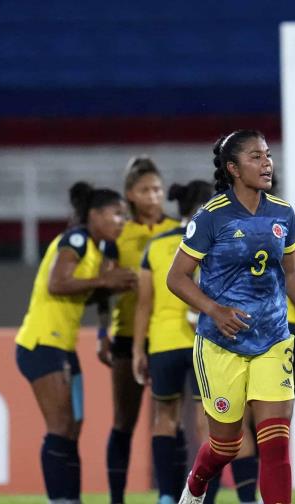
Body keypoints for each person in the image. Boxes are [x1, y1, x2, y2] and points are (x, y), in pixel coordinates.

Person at [168, 130, 295, 504]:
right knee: (226, 446)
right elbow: (175, 277)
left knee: (276, 442)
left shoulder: (282, 213)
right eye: (255, 157)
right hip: (221, 344)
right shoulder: (210, 217)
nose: (267, 163)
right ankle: (196, 484)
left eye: (267, 155)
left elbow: (291, 273)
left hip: (274, 339)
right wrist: (214, 310)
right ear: (232, 168)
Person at [131, 180, 260, 504]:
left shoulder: (157, 245)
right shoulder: (220, 237)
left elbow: (143, 303)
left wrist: (137, 349)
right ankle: (238, 498)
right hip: (209, 343)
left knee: (165, 418)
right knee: (215, 424)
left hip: (164, 344)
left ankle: (164, 496)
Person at [15, 182, 136, 504]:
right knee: (60, 425)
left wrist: (102, 332)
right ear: (95, 215)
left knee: (73, 427)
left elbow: (96, 294)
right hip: (40, 343)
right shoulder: (77, 239)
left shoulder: (100, 250)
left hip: (64, 347)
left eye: (125, 216)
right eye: (116, 214)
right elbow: (58, 283)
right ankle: (62, 500)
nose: (122, 221)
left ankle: (71, 498)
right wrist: (105, 280)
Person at [104, 157, 180, 504]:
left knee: (174, 417)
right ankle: (117, 498)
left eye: (159, 189)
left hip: (170, 332)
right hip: (125, 334)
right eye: (146, 190)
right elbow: (105, 287)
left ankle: (176, 493)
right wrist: (102, 330)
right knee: (124, 420)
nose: (154, 196)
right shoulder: (119, 234)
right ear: (130, 195)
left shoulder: (179, 230)